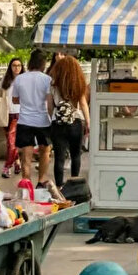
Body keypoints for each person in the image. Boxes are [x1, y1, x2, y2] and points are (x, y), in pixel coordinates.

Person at [11, 49, 54, 188]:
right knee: (45, 151)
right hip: (43, 120)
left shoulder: (19, 78)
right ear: (43, 63)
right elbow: (49, 102)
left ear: (30, 62)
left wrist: (26, 100)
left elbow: (15, 100)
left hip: (25, 121)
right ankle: (41, 180)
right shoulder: (47, 79)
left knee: (26, 154)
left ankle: (26, 181)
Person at [48, 55, 89, 189]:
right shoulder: (79, 84)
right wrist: (88, 122)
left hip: (58, 123)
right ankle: (74, 185)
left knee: (59, 157)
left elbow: (49, 106)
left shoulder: (53, 85)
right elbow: (83, 104)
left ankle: (59, 187)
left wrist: (52, 118)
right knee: (76, 155)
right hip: (76, 122)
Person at [0, 57, 24, 178]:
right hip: (6, 113)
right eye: (14, 65)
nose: (17, 68)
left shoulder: (24, 80)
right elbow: (0, 95)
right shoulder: (5, 80)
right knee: (10, 143)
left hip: (19, 114)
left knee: (11, 141)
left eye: (19, 65)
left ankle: (7, 166)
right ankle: (17, 162)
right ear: (10, 67)